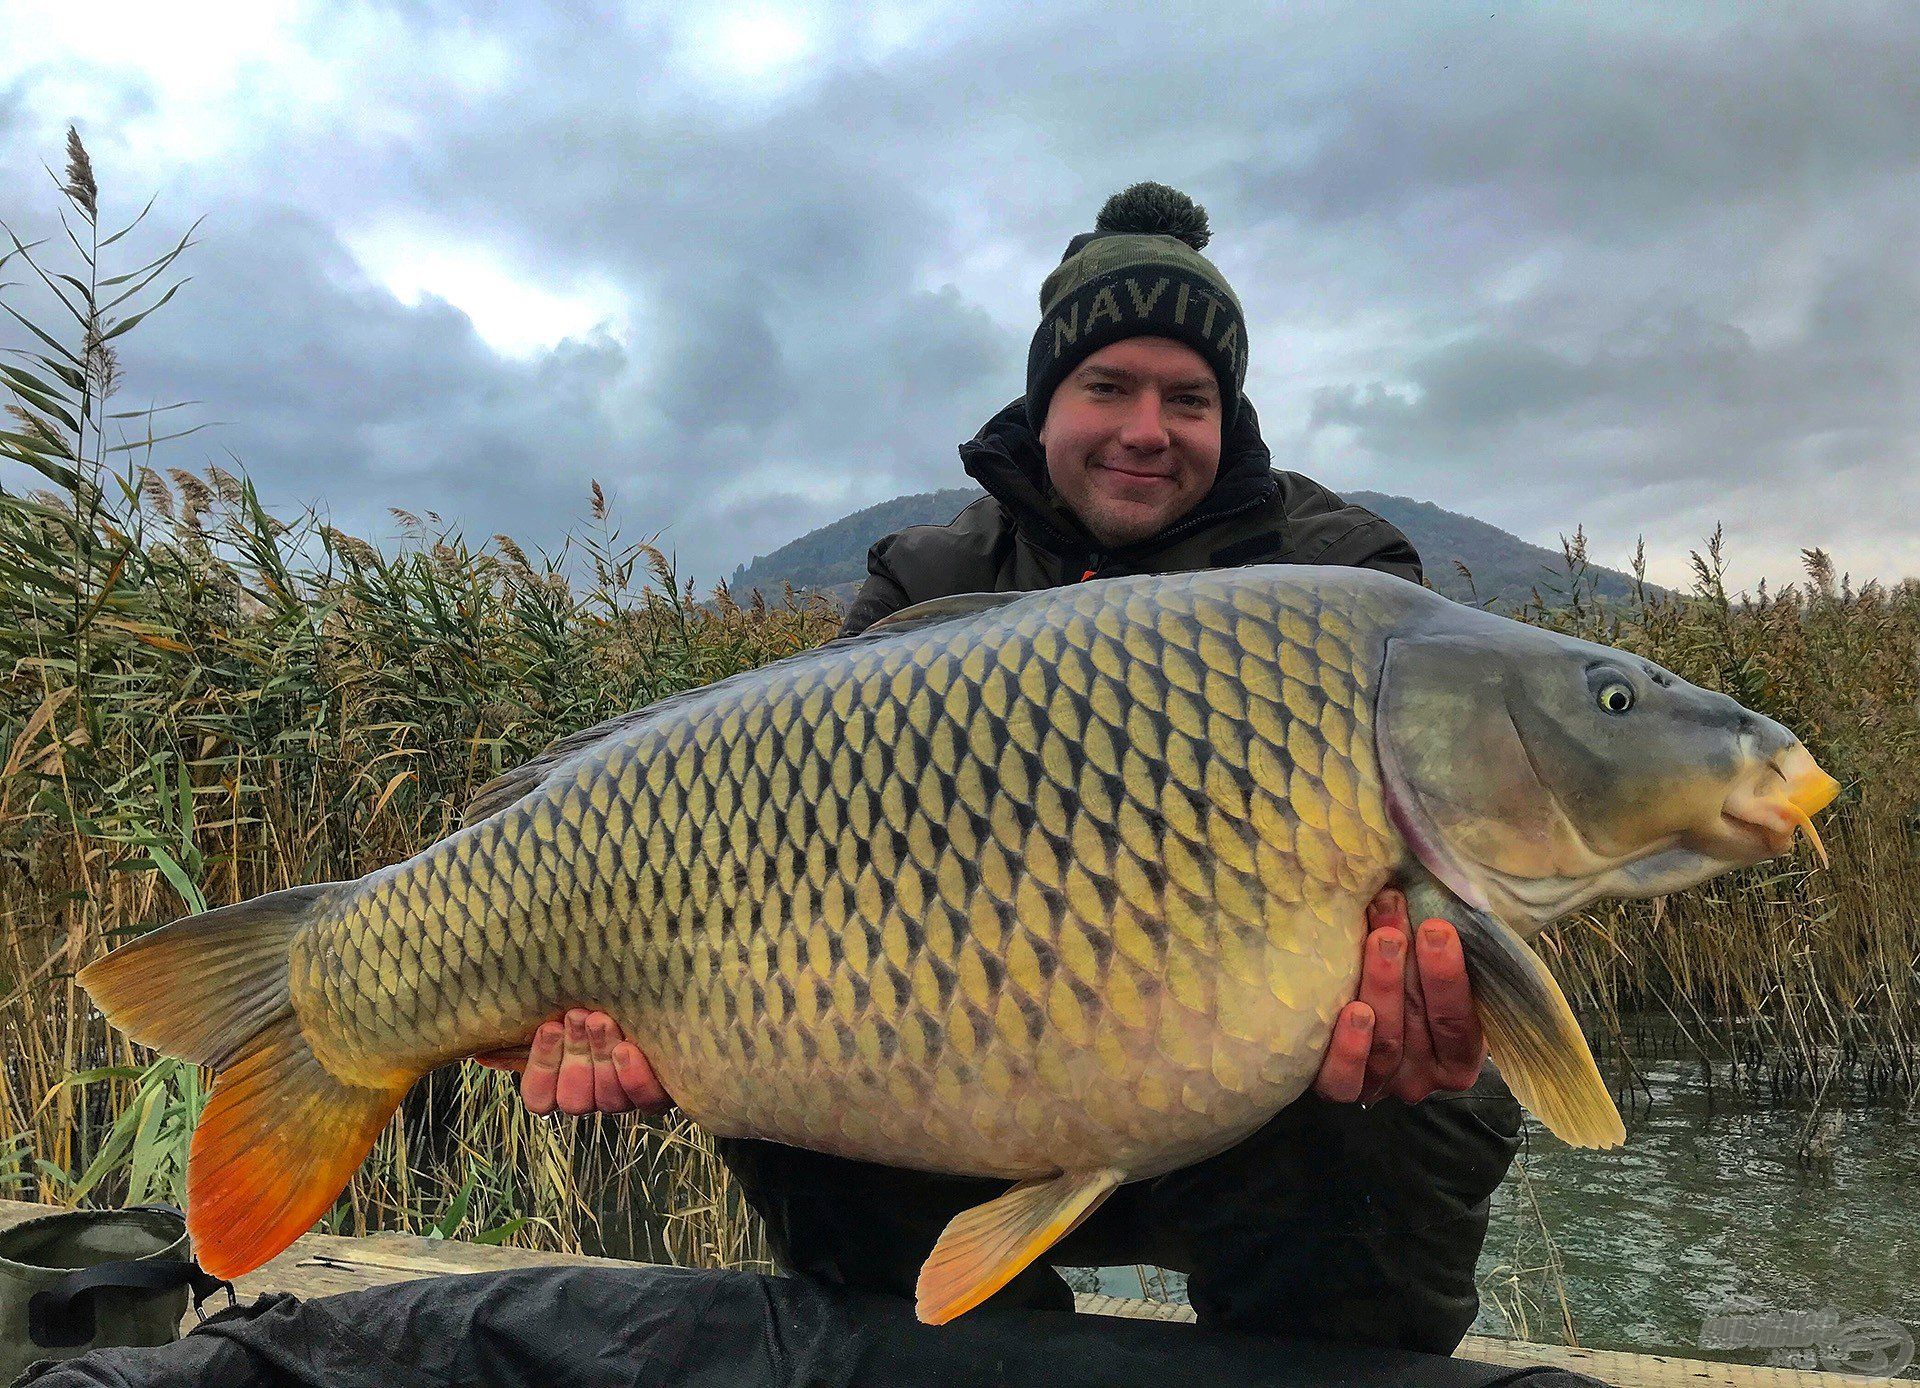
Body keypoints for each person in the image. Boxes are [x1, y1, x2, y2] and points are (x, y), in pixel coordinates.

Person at [480, 183, 1523, 1355]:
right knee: (777, 1081)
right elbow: (775, 852)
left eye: (1189, 397)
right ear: (1044, 403)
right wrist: (668, 1030)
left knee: (1430, 1097)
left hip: (1266, 1114)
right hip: (953, 1095)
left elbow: (1464, 873)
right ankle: (944, 1357)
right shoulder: (926, 580)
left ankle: (1330, 1366)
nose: (1147, 427)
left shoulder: (1339, 577)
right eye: (1107, 387)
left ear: (1230, 415)